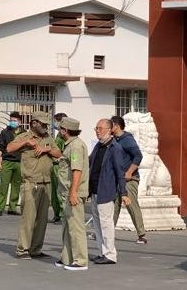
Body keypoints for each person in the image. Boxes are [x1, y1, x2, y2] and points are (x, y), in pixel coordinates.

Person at [7, 111, 61, 259]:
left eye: (46, 125)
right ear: (34, 123)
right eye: (42, 124)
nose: (45, 127)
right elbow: (9, 148)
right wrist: (25, 143)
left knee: (42, 219)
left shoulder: (48, 138)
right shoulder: (25, 137)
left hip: (46, 183)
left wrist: (47, 149)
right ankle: (22, 249)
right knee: (28, 218)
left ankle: (36, 249)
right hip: (31, 183)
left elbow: (58, 153)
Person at [89, 119, 130, 265]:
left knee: (106, 224)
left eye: (100, 128)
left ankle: (110, 254)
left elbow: (120, 172)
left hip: (106, 191)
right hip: (94, 190)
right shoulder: (98, 147)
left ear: (109, 130)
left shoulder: (115, 148)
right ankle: (102, 252)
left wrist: (123, 193)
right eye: (96, 128)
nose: (97, 131)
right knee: (97, 224)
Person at [56, 116, 90, 271]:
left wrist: (73, 193)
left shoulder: (75, 146)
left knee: (76, 227)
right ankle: (67, 257)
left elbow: (77, 170)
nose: (59, 131)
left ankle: (80, 260)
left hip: (73, 193)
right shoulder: (70, 145)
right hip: (66, 192)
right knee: (67, 226)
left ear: (66, 130)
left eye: (61, 129)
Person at [110, 115, 147, 245]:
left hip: (129, 179)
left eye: (110, 125)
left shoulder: (127, 140)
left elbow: (138, 155)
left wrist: (129, 172)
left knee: (131, 205)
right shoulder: (114, 140)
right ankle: (107, 232)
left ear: (116, 126)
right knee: (113, 206)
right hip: (117, 179)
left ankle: (141, 234)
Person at [0, 111, 25, 216]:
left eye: (15, 121)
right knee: (4, 185)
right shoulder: (5, 132)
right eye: (11, 120)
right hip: (7, 161)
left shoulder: (24, 133)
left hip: (19, 162)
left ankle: (12, 208)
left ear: (20, 122)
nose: (12, 122)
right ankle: (0, 208)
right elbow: (0, 147)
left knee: (16, 186)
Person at [50, 112, 67, 223]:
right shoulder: (58, 136)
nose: (54, 123)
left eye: (55, 121)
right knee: (54, 193)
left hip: (60, 167)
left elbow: (62, 153)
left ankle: (61, 214)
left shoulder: (64, 138)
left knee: (60, 192)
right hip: (54, 166)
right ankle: (57, 214)